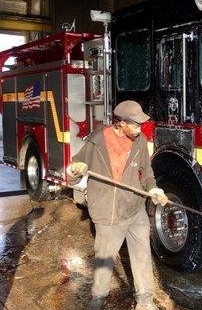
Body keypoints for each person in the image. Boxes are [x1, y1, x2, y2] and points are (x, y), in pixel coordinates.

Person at [67, 100, 169, 310]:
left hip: (134, 208)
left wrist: (154, 189)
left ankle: (145, 301)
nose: (140, 129)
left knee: (142, 255)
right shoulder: (96, 141)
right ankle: (98, 298)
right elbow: (73, 172)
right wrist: (75, 170)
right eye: (136, 124)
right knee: (105, 259)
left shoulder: (139, 140)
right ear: (121, 123)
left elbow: (147, 173)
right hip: (108, 212)